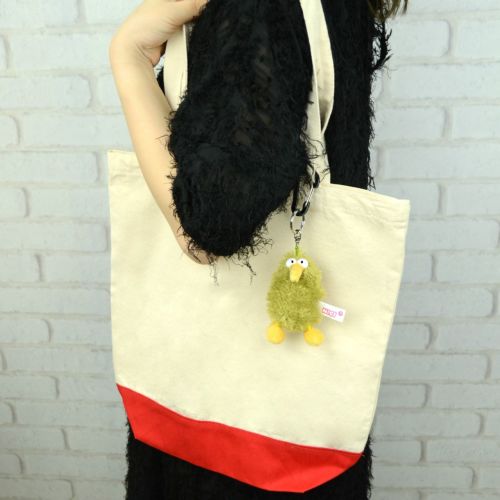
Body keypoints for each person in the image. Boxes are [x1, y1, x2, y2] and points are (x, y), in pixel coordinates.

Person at [109, 0, 408, 498]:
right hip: (293, 428)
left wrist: (130, 56)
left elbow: (205, 226)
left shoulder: (254, 8)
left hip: (227, 471)